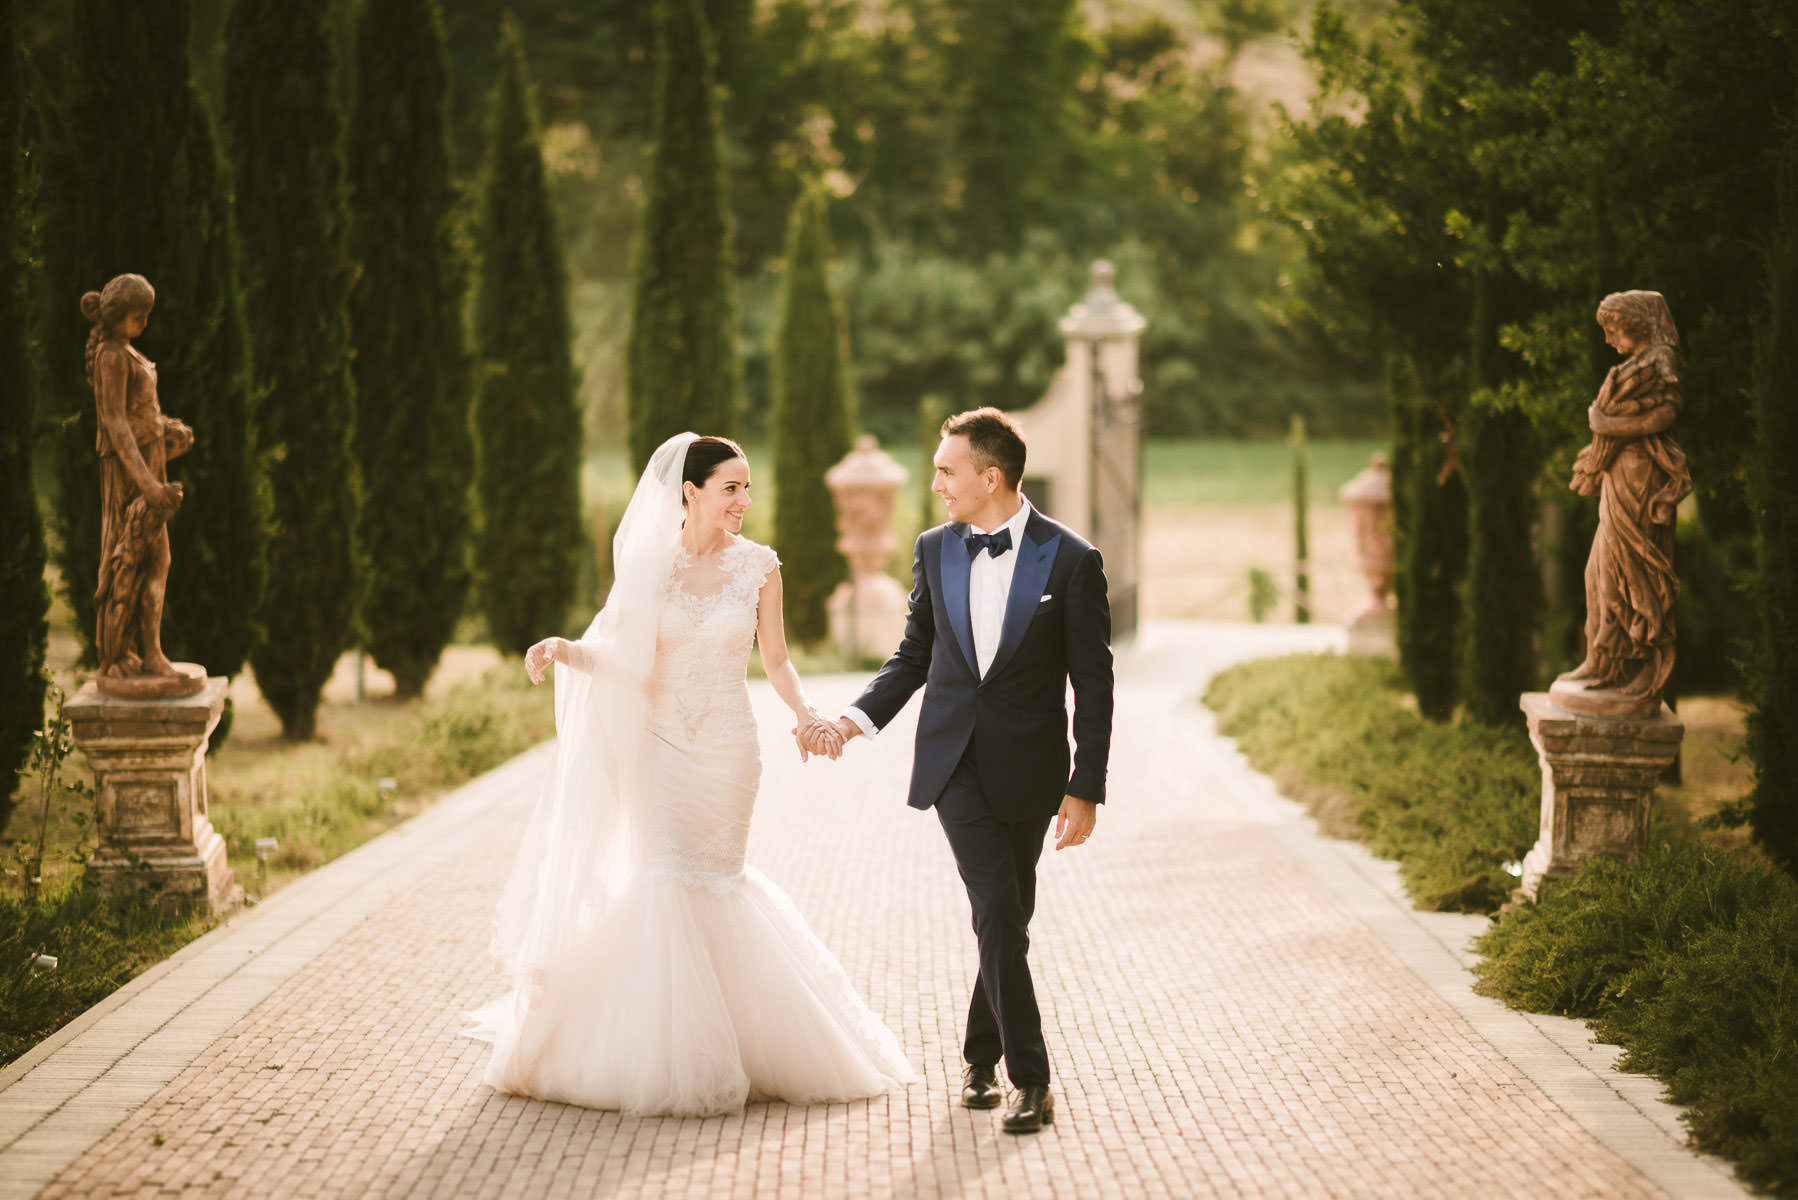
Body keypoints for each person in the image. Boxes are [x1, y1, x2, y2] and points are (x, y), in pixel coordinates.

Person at [465, 433, 915, 1115]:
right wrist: (566, 649)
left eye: (747, 487)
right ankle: (653, 1052)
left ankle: (740, 1040)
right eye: (731, 487)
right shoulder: (651, 568)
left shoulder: (760, 566)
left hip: (730, 753)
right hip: (662, 749)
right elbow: (629, 659)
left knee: (717, 881)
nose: (744, 500)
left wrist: (805, 713)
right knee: (665, 881)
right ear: (690, 492)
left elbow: (777, 659)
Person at [802, 407, 1114, 1134]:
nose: (937, 483)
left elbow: (1093, 683)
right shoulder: (934, 548)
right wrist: (852, 721)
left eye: (947, 470)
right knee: (999, 909)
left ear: (990, 476)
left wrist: (1085, 786)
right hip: (954, 766)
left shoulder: (1072, 561)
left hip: (1034, 773)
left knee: (1007, 918)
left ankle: (977, 1054)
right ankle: (1029, 1079)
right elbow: (914, 655)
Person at [1559, 290, 1692, 702]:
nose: (1608, 339)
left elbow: (1667, 414)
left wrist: (1607, 426)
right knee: (1598, 570)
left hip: (1641, 473)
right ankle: (1602, 658)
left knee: (1629, 569)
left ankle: (1636, 662)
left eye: (1612, 329)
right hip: (1620, 472)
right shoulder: (1636, 363)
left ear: (1635, 322)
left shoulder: (1662, 358)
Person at [83, 274, 194, 680]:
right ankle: (122, 653)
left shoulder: (128, 352)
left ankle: (148, 652)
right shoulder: (111, 356)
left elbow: (139, 414)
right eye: (137, 315)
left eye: (147, 315)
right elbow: (115, 423)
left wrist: (169, 432)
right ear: (115, 316)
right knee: (130, 558)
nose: (144, 323)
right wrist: (148, 484)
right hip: (130, 474)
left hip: (148, 462)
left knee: (157, 559)